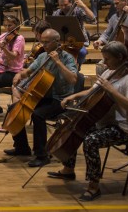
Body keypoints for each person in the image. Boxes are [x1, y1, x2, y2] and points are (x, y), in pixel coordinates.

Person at [47, 41, 128, 202]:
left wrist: (111, 90)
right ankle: (68, 169)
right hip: (107, 121)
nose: (104, 62)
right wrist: (73, 96)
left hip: (126, 126)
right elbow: (93, 90)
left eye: (107, 59)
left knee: (91, 140)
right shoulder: (109, 72)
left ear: (120, 58)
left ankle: (93, 186)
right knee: (76, 127)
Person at [5, 28, 78, 167]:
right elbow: (29, 71)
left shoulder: (67, 58)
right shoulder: (42, 56)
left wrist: (58, 62)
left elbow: (73, 79)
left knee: (38, 115)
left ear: (57, 42)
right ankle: (22, 148)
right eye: (42, 41)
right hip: (43, 95)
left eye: (47, 42)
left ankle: (42, 155)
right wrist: (19, 74)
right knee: (14, 108)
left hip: (61, 99)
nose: (43, 44)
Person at [53, 0, 95, 69]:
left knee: (82, 52)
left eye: (65, 5)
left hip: (78, 42)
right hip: (62, 42)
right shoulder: (56, 13)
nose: (63, 7)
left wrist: (84, 6)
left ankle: (77, 68)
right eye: (61, 5)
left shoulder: (78, 11)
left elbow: (93, 20)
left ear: (71, 3)